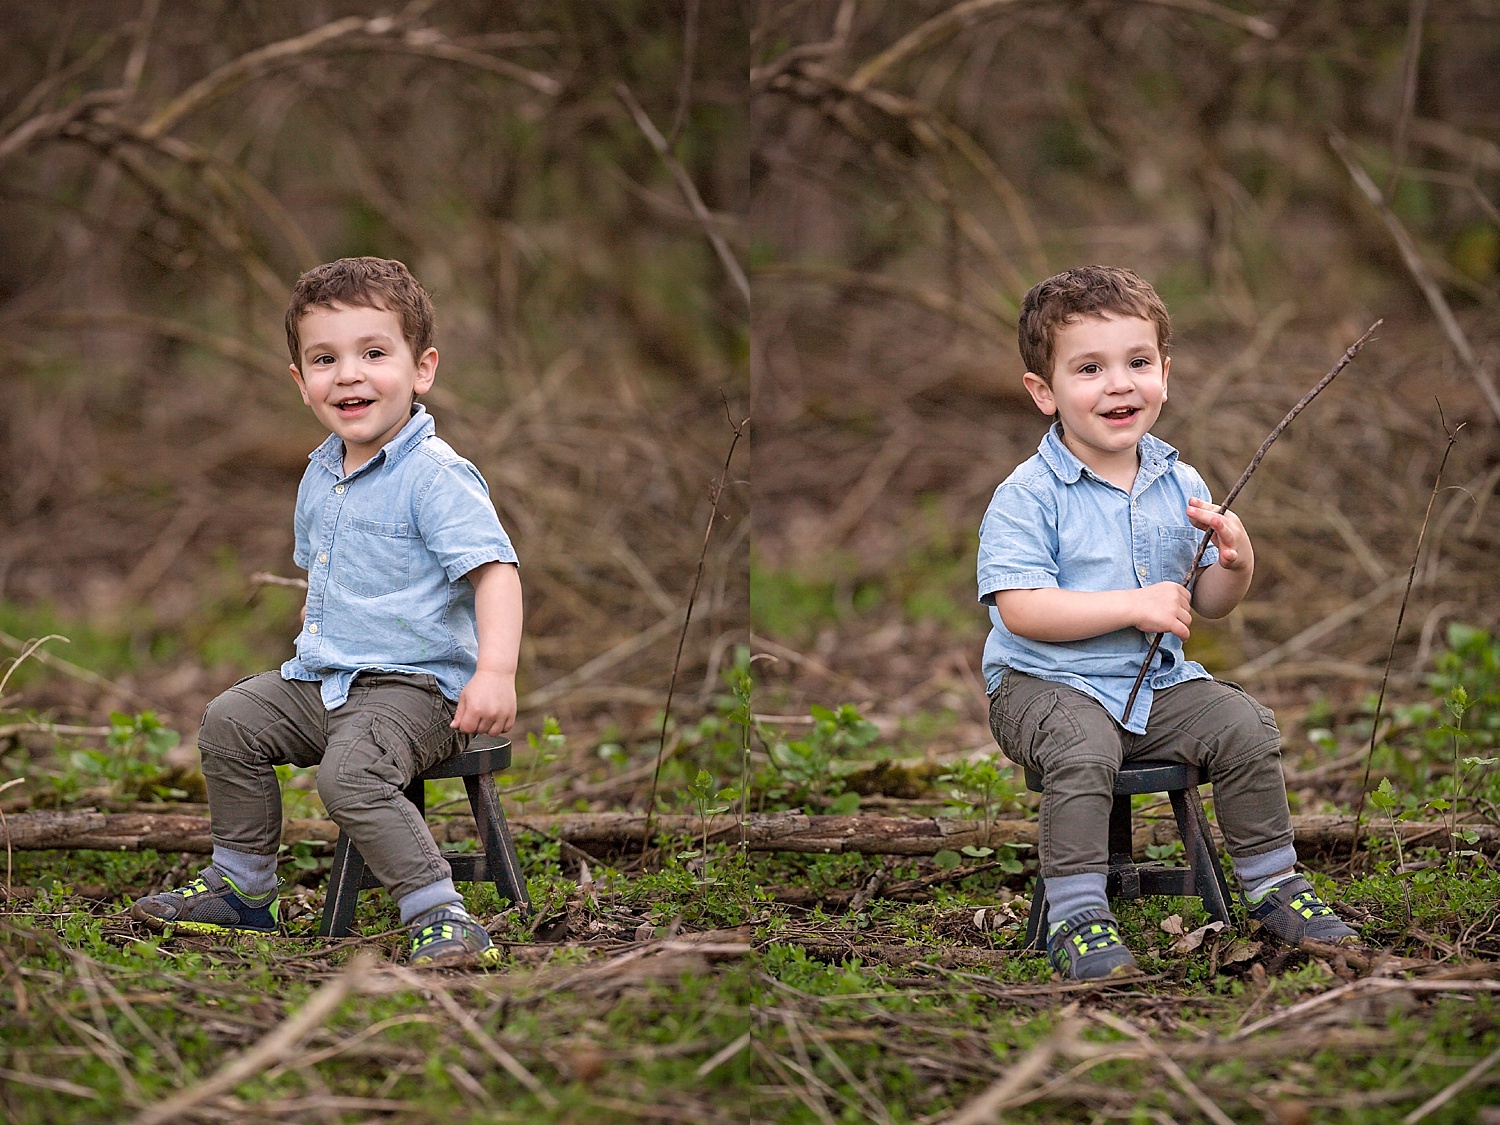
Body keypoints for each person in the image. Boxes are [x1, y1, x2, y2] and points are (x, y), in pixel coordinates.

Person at [132, 257, 523, 967]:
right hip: (328, 679)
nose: (349, 374)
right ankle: (244, 890)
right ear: (300, 381)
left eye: (374, 353)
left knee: (348, 775)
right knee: (231, 722)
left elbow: (495, 571)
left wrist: (494, 670)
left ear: (421, 368)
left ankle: (440, 911)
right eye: (325, 358)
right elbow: (320, 578)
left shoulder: (435, 476)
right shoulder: (321, 474)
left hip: (418, 689)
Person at [979, 265, 1357, 981]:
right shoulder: (1027, 495)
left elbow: (1206, 603)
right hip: (1041, 687)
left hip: (1152, 689)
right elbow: (1020, 608)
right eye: (1090, 367)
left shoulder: (1179, 482)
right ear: (1043, 391)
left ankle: (1276, 884)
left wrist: (1234, 561)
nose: (1119, 383)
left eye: (1138, 362)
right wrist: (1131, 604)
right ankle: (1080, 915)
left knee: (1245, 724)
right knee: (1085, 749)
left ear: (1165, 372)